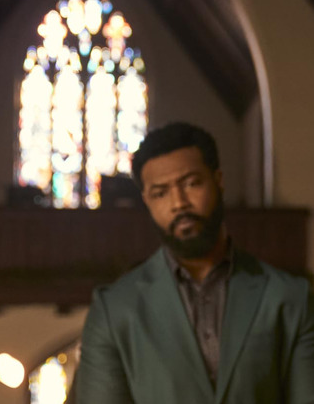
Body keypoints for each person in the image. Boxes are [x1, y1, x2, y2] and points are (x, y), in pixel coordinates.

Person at [74, 122, 314, 403]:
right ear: (147, 202)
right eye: (160, 193)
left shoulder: (289, 297)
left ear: (218, 180)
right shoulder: (114, 309)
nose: (179, 203)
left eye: (191, 183)